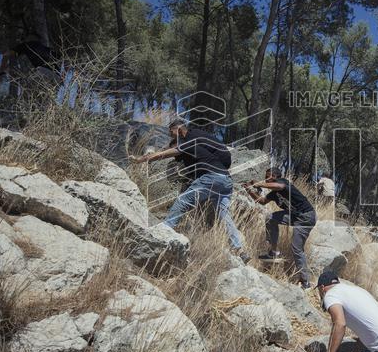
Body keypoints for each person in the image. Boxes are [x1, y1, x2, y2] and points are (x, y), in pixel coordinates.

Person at [130, 119, 248, 261]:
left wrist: (142, 159)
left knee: (182, 201)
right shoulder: (198, 141)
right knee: (224, 215)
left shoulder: (189, 140)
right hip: (226, 180)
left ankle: (162, 234)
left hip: (211, 178)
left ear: (179, 130)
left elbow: (165, 154)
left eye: (172, 133)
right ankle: (240, 249)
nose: (171, 137)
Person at [244, 167, 317, 289]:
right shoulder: (273, 194)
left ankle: (306, 282)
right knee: (270, 218)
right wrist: (249, 190)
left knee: (296, 248)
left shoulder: (284, 182)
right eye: (265, 177)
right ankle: (273, 252)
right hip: (294, 216)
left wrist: (258, 183)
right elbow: (261, 201)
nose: (266, 179)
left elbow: (279, 187)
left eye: (268, 177)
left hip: (306, 217)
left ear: (275, 176)